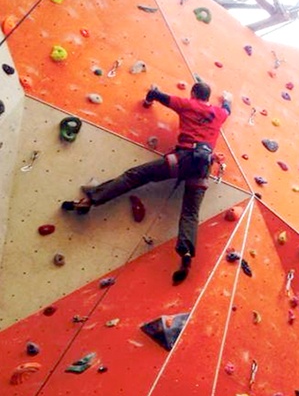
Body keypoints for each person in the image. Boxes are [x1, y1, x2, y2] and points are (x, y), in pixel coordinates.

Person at [62, 81, 232, 284]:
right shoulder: (219, 114)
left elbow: (156, 95)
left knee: (135, 176)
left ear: (194, 93)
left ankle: (90, 201)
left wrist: (148, 99)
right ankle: (186, 257)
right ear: (208, 96)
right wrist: (226, 99)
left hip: (182, 159)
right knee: (190, 213)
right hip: (203, 167)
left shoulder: (187, 104)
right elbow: (227, 108)